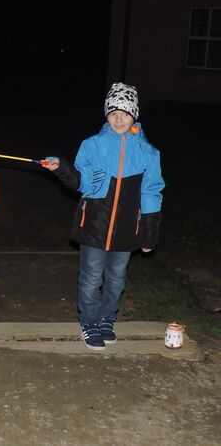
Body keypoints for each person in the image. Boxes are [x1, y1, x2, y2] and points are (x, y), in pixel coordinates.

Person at [42, 82, 164, 350]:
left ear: (135, 114)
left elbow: (152, 192)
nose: (118, 118)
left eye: (124, 112)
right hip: (94, 226)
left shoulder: (148, 153)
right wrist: (61, 168)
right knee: (91, 278)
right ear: (106, 114)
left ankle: (107, 319)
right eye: (112, 112)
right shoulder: (92, 145)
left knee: (117, 278)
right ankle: (89, 322)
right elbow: (83, 183)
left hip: (126, 229)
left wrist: (149, 232)